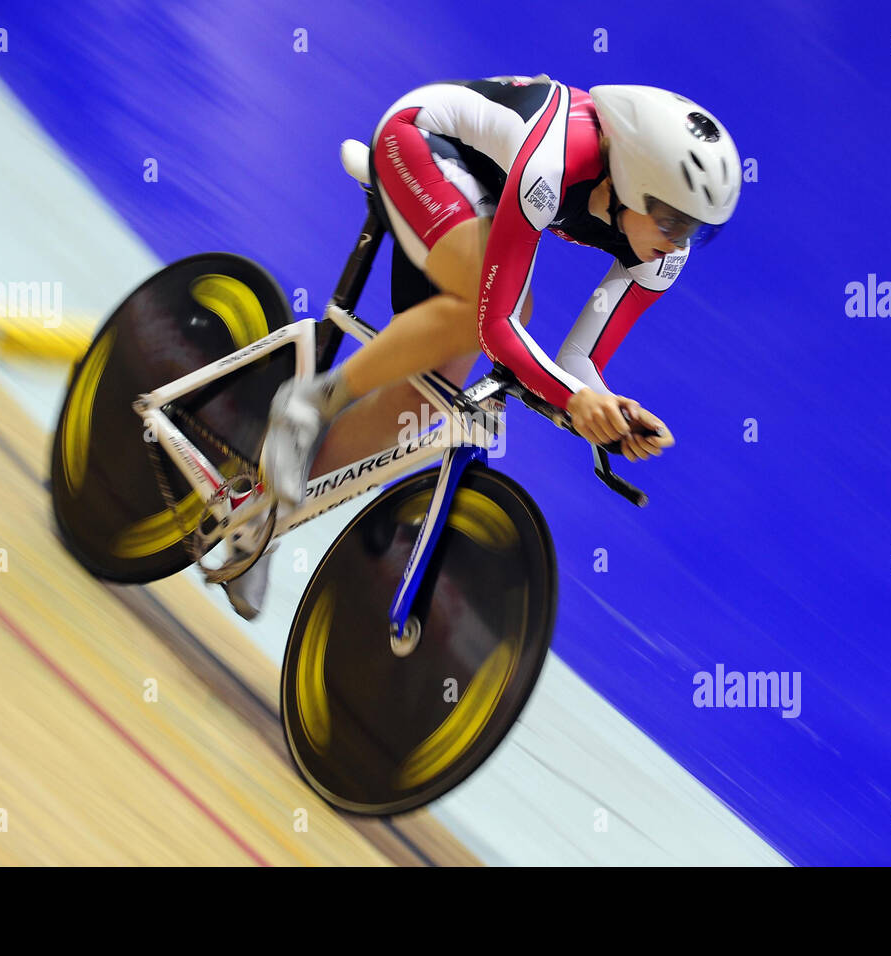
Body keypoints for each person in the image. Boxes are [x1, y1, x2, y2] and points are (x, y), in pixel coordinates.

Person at [224, 76, 742, 619]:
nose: (680, 241)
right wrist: (572, 400)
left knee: (422, 402)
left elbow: (577, 366)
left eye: (698, 230)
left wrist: (608, 410)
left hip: (489, 188)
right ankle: (308, 401)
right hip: (421, 143)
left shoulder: (661, 255)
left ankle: (263, 520)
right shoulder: (558, 157)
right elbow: (496, 326)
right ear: (634, 181)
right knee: (500, 309)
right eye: (673, 220)